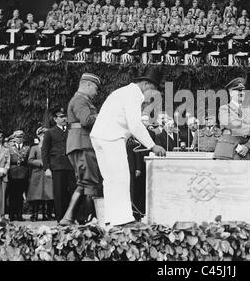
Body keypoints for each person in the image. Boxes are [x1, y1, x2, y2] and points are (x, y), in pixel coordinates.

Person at [90, 67, 166, 227]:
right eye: (153, 89)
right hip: (112, 136)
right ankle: (123, 219)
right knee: (121, 178)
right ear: (145, 84)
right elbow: (135, 125)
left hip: (99, 136)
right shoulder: (134, 94)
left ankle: (110, 219)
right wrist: (152, 146)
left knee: (110, 180)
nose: (152, 95)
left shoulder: (123, 91)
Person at [59, 73, 103, 226]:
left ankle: (68, 218)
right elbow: (86, 120)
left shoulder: (80, 100)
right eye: (95, 88)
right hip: (83, 144)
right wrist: (104, 115)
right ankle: (91, 219)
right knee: (91, 182)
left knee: (84, 182)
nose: (96, 92)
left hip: (79, 144)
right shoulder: (80, 100)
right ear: (88, 85)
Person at [216, 78, 250, 160]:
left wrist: (247, 147)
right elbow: (232, 124)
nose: (241, 93)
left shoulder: (249, 112)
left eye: (243, 91)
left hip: (243, 155)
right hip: (226, 153)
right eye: (238, 90)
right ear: (231, 93)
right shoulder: (224, 109)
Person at [42, 108, 75, 222]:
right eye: (61, 116)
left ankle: (71, 217)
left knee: (72, 191)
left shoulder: (71, 131)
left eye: (65, 116)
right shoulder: (49, 132)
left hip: (71, 166)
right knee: (59, 193)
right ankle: (60, 218)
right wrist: (46, 168)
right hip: (57, 166)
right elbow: (44, 151)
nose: (64, 118)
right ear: (55, 119)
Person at [27, 127, 54, 221]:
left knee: (49, 195)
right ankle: (34, 214)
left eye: (45, 135)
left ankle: (47, 214)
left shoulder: (51, 147)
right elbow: (30, 160)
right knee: (36, 195)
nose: (44, 137)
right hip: (37, 174)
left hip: (48, 173)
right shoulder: (34, 148)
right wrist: (41, 163)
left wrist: (49, 164)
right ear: (38, 136)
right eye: (42, 135)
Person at [7, 130, 30, 221]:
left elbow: (28, 161)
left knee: (20, 195)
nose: (19, 139)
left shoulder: (27, 148)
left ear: (23, 138)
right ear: (14, 138)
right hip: (12, 172)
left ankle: (19, 214)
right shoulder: (9, 148)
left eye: (21, 137)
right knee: (12, 195)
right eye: (17, 137)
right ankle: (11, 214)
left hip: (23, 173)